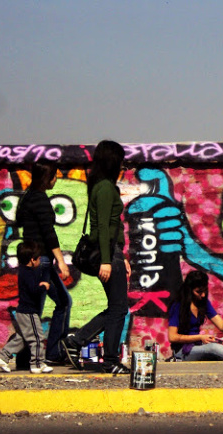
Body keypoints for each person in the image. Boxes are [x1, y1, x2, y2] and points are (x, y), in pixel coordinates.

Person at [60, 140, 132, 374]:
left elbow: (113, 226)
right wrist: (107, 261)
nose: (123, 165)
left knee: (117, 308)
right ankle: (108, 359)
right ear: (112, 161)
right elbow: (101, 227)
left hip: (113, 252)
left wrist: (122, 257)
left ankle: (77, 341)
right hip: (108, 253)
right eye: (120, 161)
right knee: (119, 308)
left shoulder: (103, 186)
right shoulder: (105, 188)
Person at [16, 162, 72, 365]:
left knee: (35, 309)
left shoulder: (28, 197)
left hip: (34, 260)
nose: (56, 180)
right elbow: (49, 234)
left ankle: (25, 358)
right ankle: (52, 354)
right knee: (57, 304)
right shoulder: (40, 199)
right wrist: (61, 262)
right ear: (47, 178)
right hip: (42, 260)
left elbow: (20, 222)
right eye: (54, 176)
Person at [0, 241, 53, 374]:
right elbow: (33, 291)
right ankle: (37, 364)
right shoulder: (28, 273)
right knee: (37, 337)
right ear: (32, 260)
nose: (40, 261)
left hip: (23, 311)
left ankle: (2, 356)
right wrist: (44, 286)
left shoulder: (24, 271)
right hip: (29, 312)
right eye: (38, 259)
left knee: (22, 338)